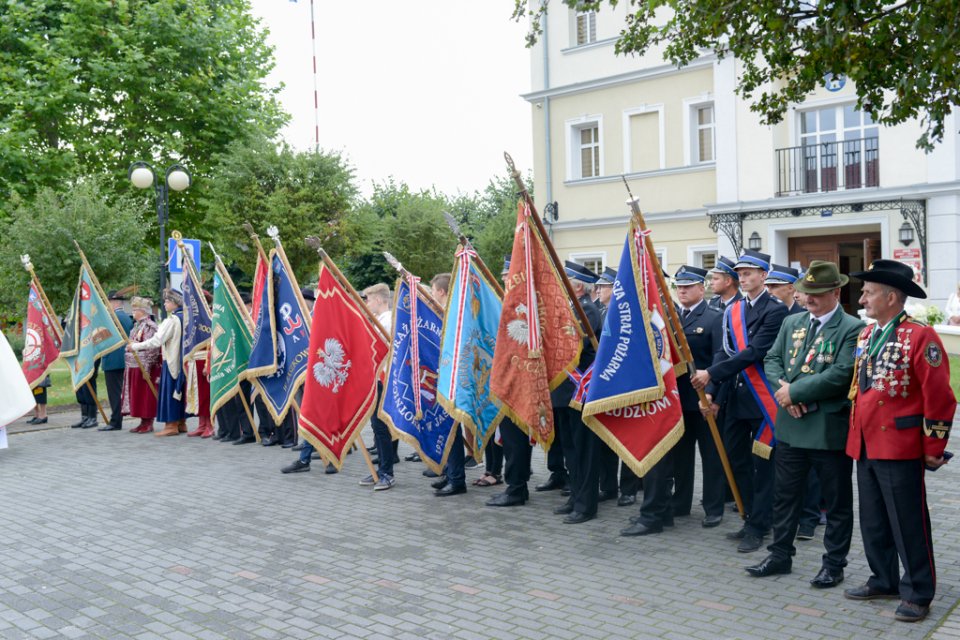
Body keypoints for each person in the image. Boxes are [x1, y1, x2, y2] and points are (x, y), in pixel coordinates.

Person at [842, 259, 955, 623]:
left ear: (891, 296)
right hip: (866, 443)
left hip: (900, 445)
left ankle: (918, 592)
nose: (862, 298)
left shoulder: (921, 336)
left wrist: (933, 449)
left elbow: (940, 397)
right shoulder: (866, 334)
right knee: (873, 520)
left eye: (869, 292)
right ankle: (883, 578)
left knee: (908, 522)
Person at [745, 260, 864, 589]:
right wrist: (785, 395)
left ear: (835, 293)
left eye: (816, 293)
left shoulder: (852, 328)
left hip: (826, 429)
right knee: (785, 496)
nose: (808, 298)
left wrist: (795, 393)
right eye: (805, 291)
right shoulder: (793, 322)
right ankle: (780, 554)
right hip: (791, 427)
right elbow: (771, 359)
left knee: (837, 502)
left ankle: (834, 564)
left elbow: (841, 374)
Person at [693, 249, 788, 552]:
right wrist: (712, 388)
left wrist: (710, 372)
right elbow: (724, 351)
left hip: (761, 401)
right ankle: (750, 516)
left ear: (763, 276)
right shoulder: (733, 311)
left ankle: (760, 525)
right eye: (741, 274)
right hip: (734, 395)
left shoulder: (775, 311)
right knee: (736, 461)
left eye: (749, 273)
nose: (744, 278)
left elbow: (754, 352)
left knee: (763, 466)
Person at [622, 265, 725, 536]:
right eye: (679, 286)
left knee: (711, 456)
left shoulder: (715, 317)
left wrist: (714, 395)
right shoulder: (667, 318)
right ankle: (680, 504)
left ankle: (714, 508)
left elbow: (721, 359)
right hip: (676, 401)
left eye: (688, 286)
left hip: (704, 400)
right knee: (679, 457)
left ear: (701, 288)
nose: (682, 291)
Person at [552, 261, 603, 524]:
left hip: (579, 392)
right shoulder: (570, 309)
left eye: (566, 280)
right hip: (563, 392)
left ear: (578, 286)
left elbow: (575, 343)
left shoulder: (587, 310)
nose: (561, 284)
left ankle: (586, 505)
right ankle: (575, 497)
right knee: (570, 450)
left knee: (584, 451)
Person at [487, 257, 534, 508]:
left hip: (517, 382)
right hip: (508, 381)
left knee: (515, 439)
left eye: (509, 275)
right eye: (505, 275)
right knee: (511, 438)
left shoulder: (521, 308)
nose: (505, 279)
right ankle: (517, 485)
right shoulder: (510, 305)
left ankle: (516, 488)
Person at [594, 266, 641, 507]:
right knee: (607, 439)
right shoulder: (602, 312)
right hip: (605, 383)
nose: (599, 289)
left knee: (628, 439)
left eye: (604, 286)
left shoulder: (629, 313)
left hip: (626, 383)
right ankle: (608, 486)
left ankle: (629, 489)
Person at [129, 289, 186, 437]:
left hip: (172, 359)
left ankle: (171, 425)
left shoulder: (172, 320)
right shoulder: (185, 317)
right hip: (183, 360)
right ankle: (181, 422)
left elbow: (156, 340)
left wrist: (135, 346)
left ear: (174, 303)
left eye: (167, 301)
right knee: (179, 391)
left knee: (171, 392)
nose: (165, 304)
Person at [359, 283, 397, 491]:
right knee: (376, 427)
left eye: (369, 299)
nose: (367, 303)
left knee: (382, 428)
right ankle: (380, 470)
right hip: (376, 379)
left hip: (385, 378)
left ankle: (387, 473)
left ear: (380, 300)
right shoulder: (377, 320)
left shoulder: (388, 320)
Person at [124, 297, 161, 434]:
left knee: (146, 396)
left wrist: (147, 366)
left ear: (143, 311)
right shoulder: (136, 326)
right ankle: (142, 421)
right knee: (137, 395)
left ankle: (148, 422)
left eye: (135, 309)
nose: (133, 312)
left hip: (145, 366)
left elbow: (152, 348)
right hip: (134, 366)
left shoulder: (150, 326)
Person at [99, 291, 135, 431]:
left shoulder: (112, 317)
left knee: (114, 392)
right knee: (119, 391)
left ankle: (115, 421)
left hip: (112, 359)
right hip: (123, 358)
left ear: (114, 302)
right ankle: (116, 419)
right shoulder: (126, 317)